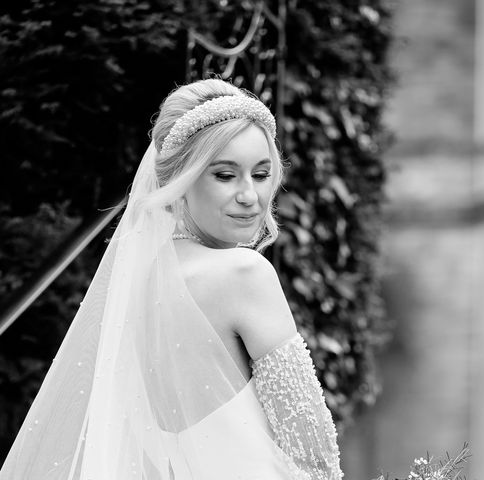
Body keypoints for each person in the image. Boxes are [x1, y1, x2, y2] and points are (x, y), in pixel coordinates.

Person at [0, 78, 344, 480]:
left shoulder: (138, 282)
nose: (250, 195)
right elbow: (316, 455)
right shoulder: (244, 273)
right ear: (180, 179)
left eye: (261, 173)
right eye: (225, 175)